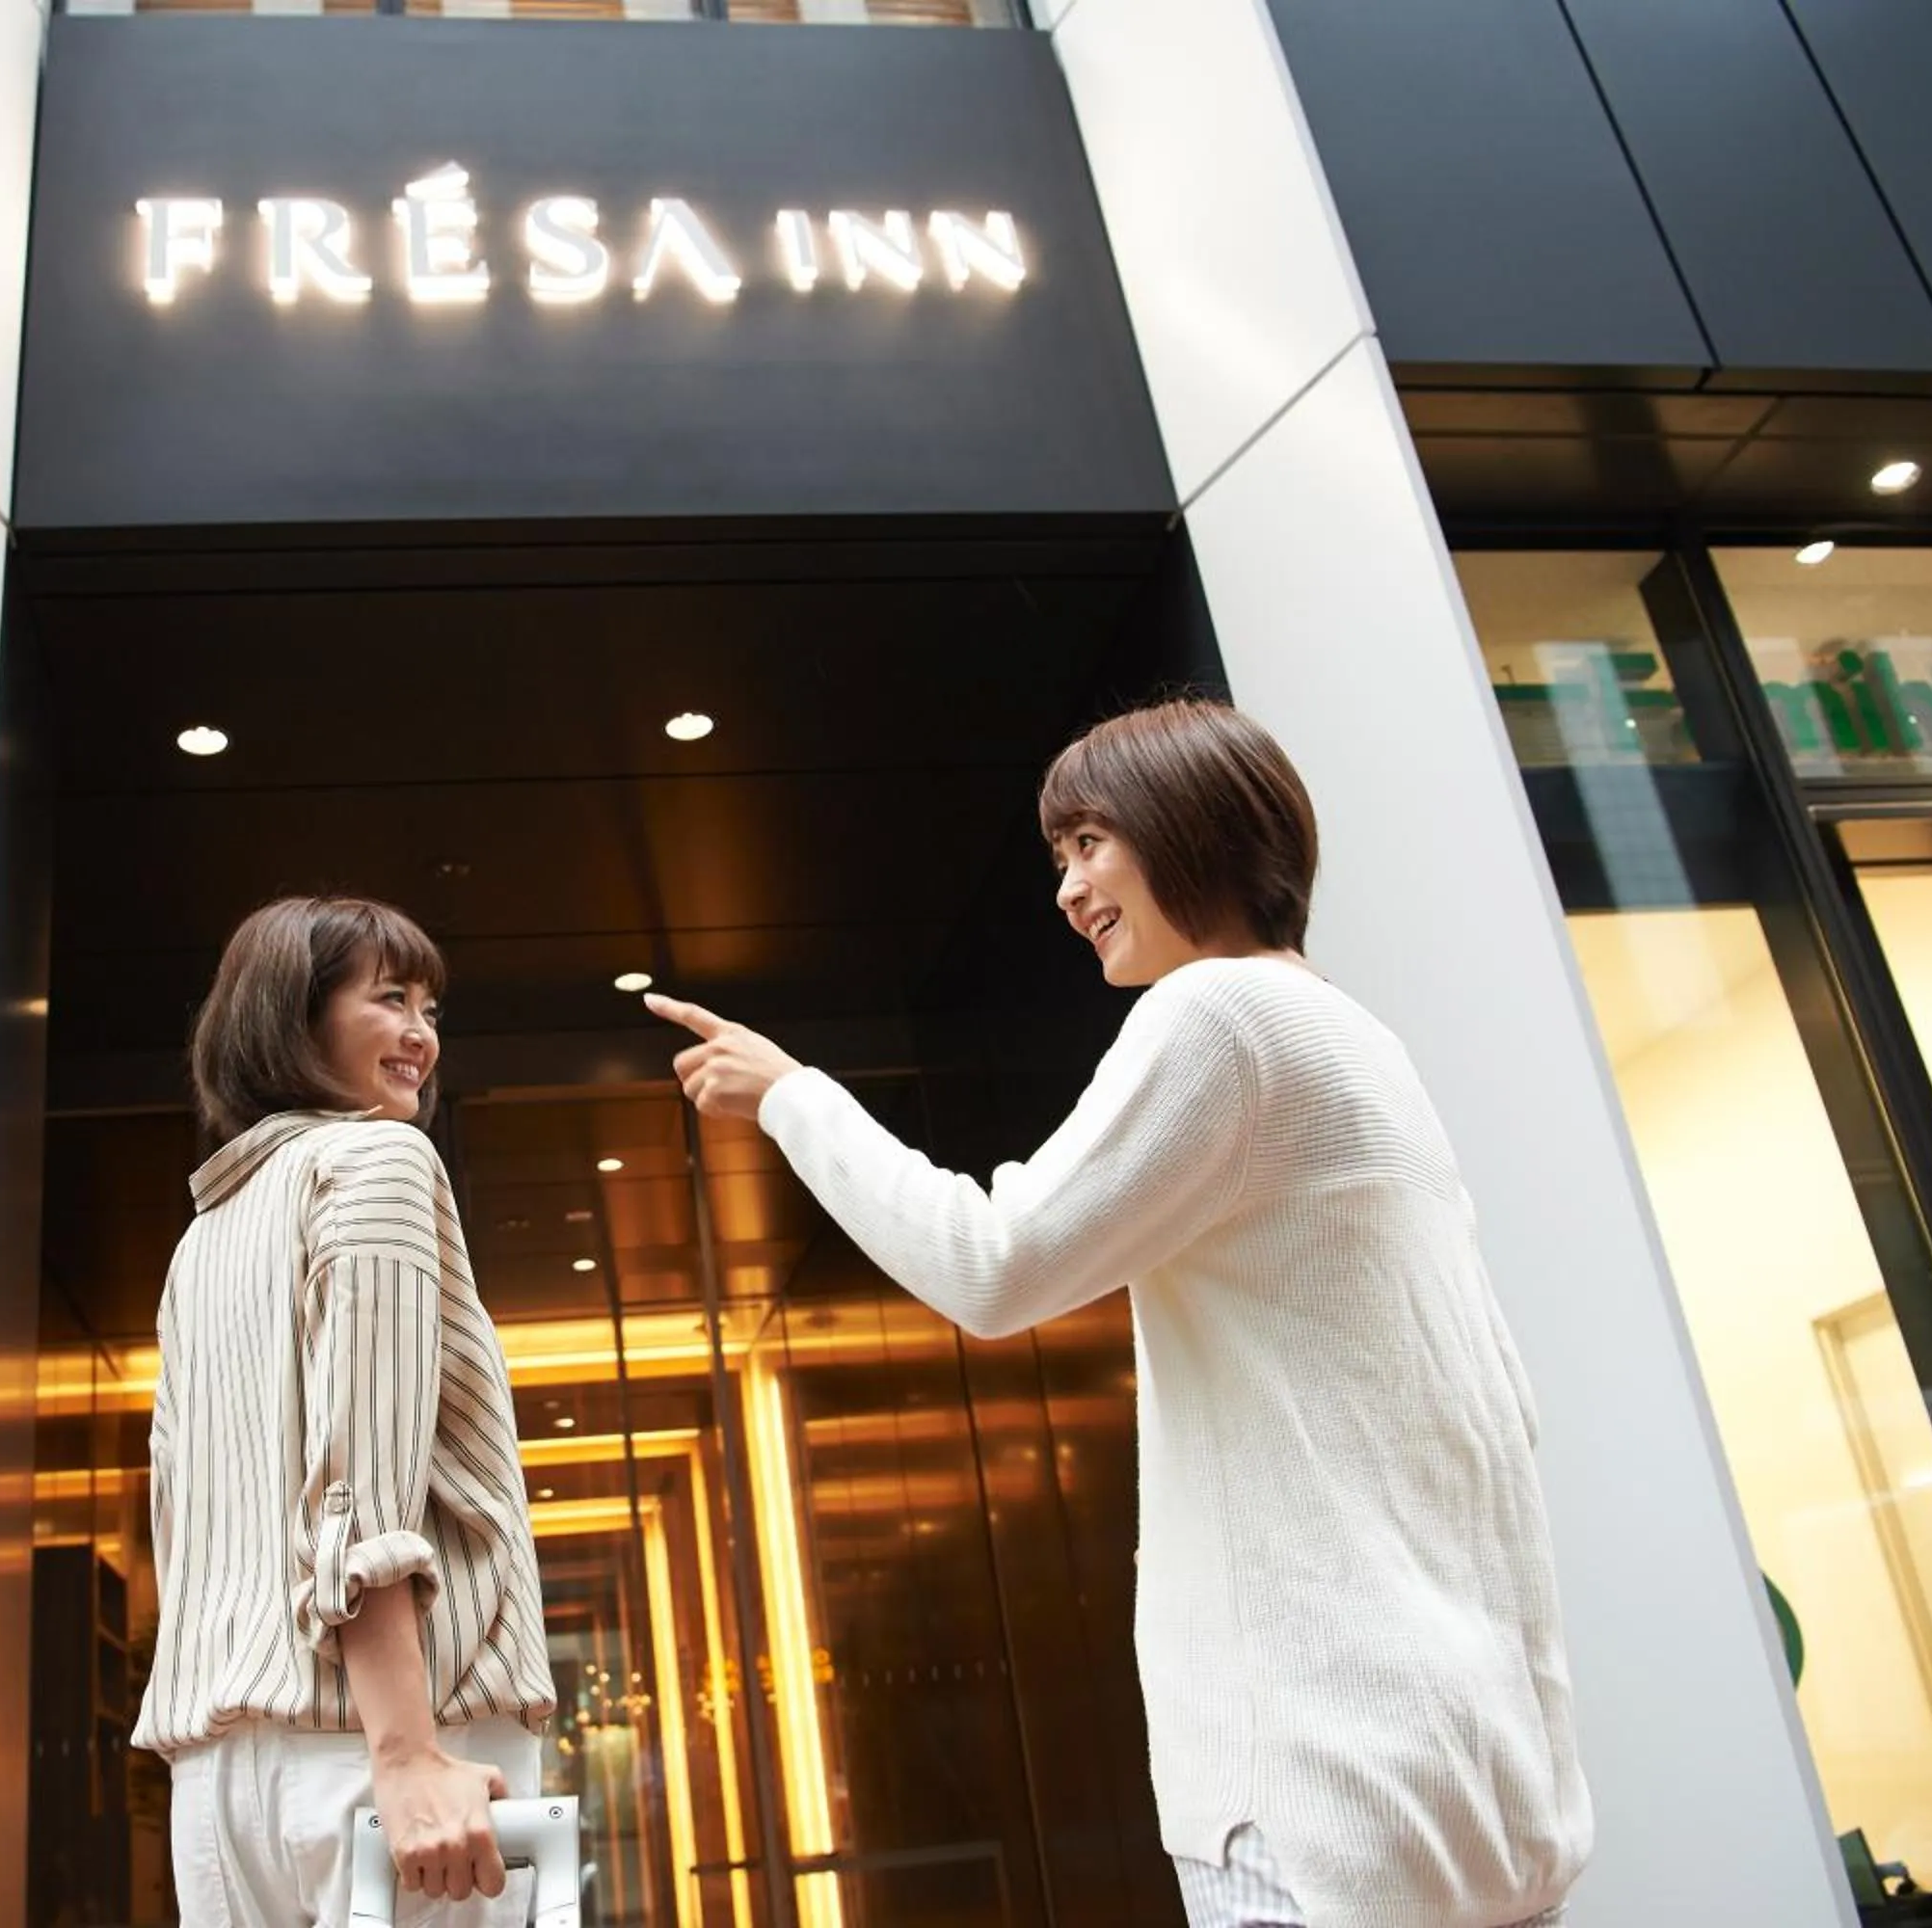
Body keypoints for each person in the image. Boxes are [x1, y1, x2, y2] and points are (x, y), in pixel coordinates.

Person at [650, 698, 1591, 1928]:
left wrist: (792, 1098)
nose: (1068, 889)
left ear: (1189, 822)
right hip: (1485, 1782)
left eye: (1089, 842)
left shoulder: (1221, 1015)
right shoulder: (1356, 1035)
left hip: (1326, 1790)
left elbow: (996, 1262)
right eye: (1058, 859)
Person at [132, 895, 554, 1924]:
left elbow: (182, 1521)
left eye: (432, 1006)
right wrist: (407, 1751)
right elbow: (363, 1491)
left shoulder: (206, 1238)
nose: (422, 1031)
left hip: (221, 1789)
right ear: (293, 1015)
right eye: (390, 997)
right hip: (395, 1755)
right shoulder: (380, 1161)